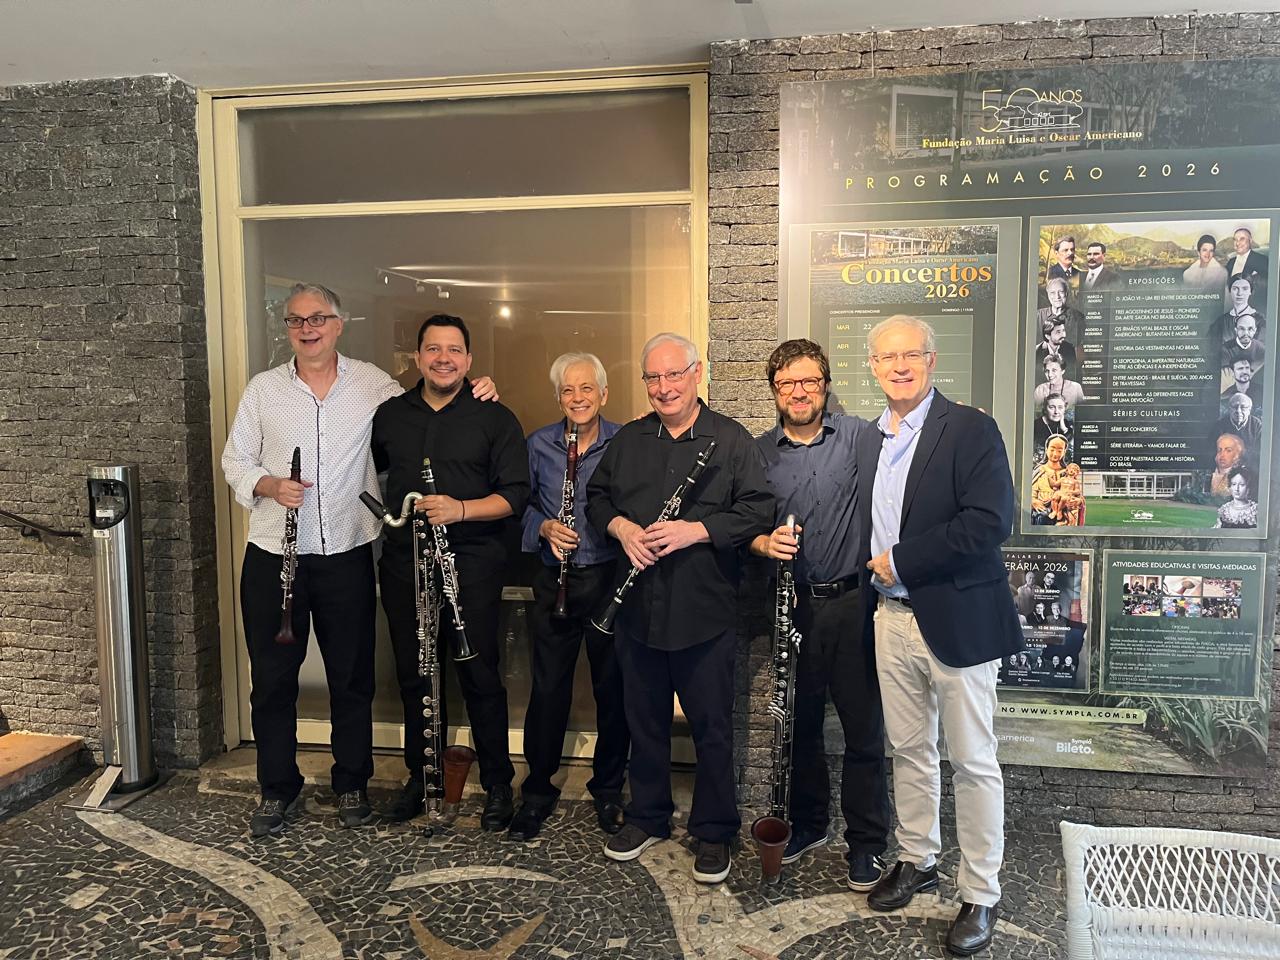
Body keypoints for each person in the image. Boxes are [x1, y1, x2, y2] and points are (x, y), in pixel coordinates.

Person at [222, 284, 498, 838]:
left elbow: (429, 404)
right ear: (287, 328)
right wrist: (269, 484)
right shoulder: (263, 390)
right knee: (272, 681)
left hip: (347, 553)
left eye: (318, 318)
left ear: (338, 323)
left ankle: (352, 783)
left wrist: (478, 388)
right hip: (275, 554)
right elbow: (234, 460)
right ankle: (277, 788)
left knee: (351, 679)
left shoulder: (374, 385)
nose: (308, 328)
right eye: (297, 320)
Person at [858, 315, 1020, 956]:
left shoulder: (971, 429)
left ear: (931, 360)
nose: (899, 366)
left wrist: (902, 561)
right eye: (887, 357)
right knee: (908, 750)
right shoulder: (870, 437)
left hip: (957, 618)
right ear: (872, 366)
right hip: (889, 618)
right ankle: (917, 858)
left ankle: (980, 892)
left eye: (911, 355)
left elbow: (990, 522)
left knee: (973, 761)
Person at [586, 333, 773, 885]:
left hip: (703, 612)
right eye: (654, 377)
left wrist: (697, 530)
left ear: (697, 373)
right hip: (637, 609)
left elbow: (758, 510)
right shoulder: (630, 439)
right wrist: (622, 529)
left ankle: (714, 831)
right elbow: (597, 498)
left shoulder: (731, 440)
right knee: (644, 722)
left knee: (712, 728)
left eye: (674, 374)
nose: (664, 387)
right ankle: (648, 816)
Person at [372, 314, 530, 832]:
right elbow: (371, 473)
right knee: (416, 673)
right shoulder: (390, 415)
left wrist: (460, 510)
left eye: (455, 350)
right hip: (407, 566)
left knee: (480, 675)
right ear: (418, 357)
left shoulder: (495, 417)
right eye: (434, 349)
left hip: (473, 566)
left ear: (469, 359)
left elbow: (515, 496)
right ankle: (422, 778)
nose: (444, 358)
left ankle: (499, 783)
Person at [750, 339, 890, 891]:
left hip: (854, 604)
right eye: (787, 383)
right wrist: (763, 542)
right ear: (775, 391)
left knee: (863, 731)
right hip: (793, 606)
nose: (799, 392)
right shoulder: (758, 453)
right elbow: (741, 525)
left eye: (809, 381)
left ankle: (867, 844)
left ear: (826, 385)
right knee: (800, 726)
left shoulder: (858, 436)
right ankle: (808, 824)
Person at [509, 352, 629, 841]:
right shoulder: (538, 444)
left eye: (586, 389)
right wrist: (543, 527)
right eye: (567, 390)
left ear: (604, 394)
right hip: (554, 579)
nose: (577, 398)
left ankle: (608, 789)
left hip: (608, 580)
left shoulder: (626, 442)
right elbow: (518, 505)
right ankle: (537, 791)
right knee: (548, 689)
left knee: (613, 690)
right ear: (558, 398)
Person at [1210, 277, 1266, 345]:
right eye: (1235, 288)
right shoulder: (1220, 322)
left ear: (1250, 291)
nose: (1239, 293)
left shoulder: (1260, 321)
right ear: (1230, 291)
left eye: (1245, 289)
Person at [1036, 277, 1084, 346]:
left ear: (1066, 294)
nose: (1057, 296)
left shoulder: (1078, 317)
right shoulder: (1037, 316)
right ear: (1048, 295)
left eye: (1061, 292)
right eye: (1052, 293)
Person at [1224, 226, 1268, 294]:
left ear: (1250, 241)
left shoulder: (1262, 260)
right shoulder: (1230, 262)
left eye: (1242, 239)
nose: (1237, 243)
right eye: (1235, 240)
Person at [1032, 395, 1073, 463]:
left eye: (1060, 407)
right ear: (1045, 409)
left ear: (1064, 409)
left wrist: (1063, 427)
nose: (1056, 412)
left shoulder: (1065, 423)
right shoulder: (1036, 425)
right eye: (1052, 407)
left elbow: (1068, 442)